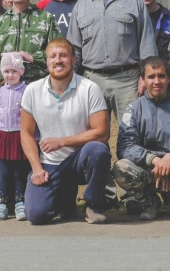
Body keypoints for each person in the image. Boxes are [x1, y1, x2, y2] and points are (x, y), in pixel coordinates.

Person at [0, 0, 59, 219]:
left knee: (36, 143)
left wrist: (35, 58)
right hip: (4, 96)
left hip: (35, 93)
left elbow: (57, 54)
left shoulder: (45, 19)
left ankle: (37, 193)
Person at [21, 38, 111, 225]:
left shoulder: (89, 89)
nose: (58, 60)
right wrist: (37, 168)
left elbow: (102, 133)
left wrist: (62, 141)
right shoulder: (32, 90)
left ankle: (94, 204)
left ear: (73, 60)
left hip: (80, 159)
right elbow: (26, 133)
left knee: (98, 150)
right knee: (36, 215)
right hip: (50, 164)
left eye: (63, 55)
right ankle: (65, 201)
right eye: (52, 56)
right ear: (46, 62)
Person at [67, 0, 157, 140]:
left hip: (127, 80)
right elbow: (74, 48)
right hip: (92, 80)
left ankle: (128, 168)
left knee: (132, 132)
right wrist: (71, 80)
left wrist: (145, 77)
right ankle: (100, 170)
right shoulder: (82, 5)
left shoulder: (135, 2)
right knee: (94, 136)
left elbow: (146, 42)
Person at [112, 56, 170, 221]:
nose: (157, 81)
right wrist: (154, 160)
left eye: (161, 76)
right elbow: (125, 146)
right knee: (120, 168)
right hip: (148, 170)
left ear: (169, 78)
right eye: (151, 77)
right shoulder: (134, 109)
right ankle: (150, 202)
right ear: (142, 80)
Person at [0, 52, 31, 221]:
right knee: (4, 172)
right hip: (3, 136)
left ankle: (20, 203)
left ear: (21, 72)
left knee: (19, 172)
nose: (10, 75)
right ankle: (2, 204)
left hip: (18, 137)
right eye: (7, 71)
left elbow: (31, 115)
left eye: (14, 71)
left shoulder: (26, 90)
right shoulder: (1, 91)